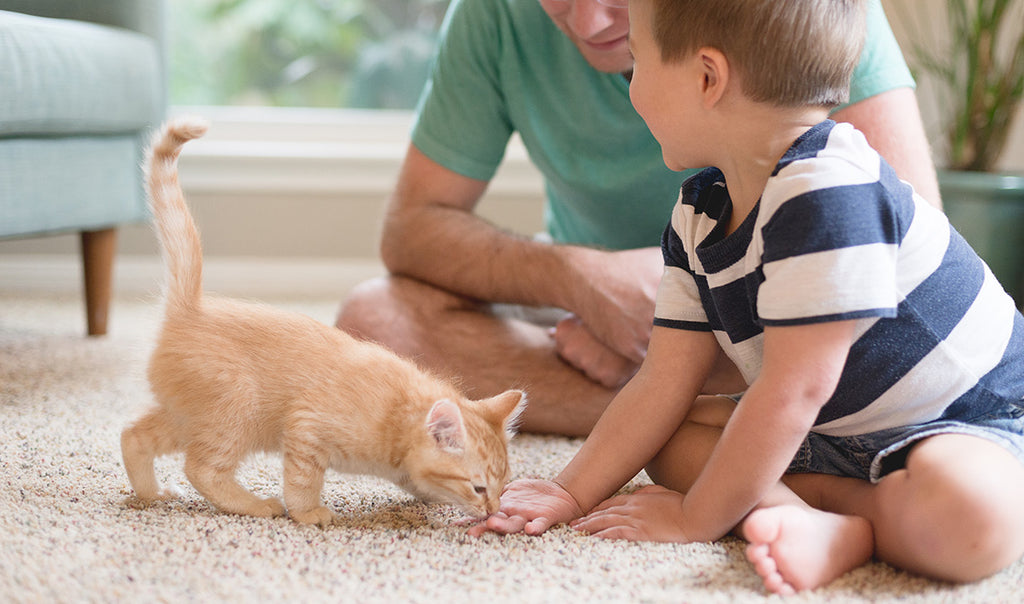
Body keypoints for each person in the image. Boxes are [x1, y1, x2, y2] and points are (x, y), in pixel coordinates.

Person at [467, 0, 1024, 594]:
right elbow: (663, 380)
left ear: (708, 78)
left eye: (638, 61)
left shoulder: (832, 192)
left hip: (960, 421)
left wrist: (694, 517)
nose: (631, 90)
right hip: (832, 434)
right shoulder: (699, 212)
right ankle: (813, 517)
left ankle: (848, 525)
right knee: (669, 441)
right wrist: (570, 489)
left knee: (973, 520)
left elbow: (792, 391)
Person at [336, 0, 941, 436]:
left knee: (871, 341)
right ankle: (724, 410)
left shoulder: (800, 11)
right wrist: (583, 278)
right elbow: (414, 226)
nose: (590, 21)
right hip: (582, 324)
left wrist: (684, 315)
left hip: (777, 303)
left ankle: (698, 400)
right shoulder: (491, 15)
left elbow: (902, 240)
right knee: (373, 321)